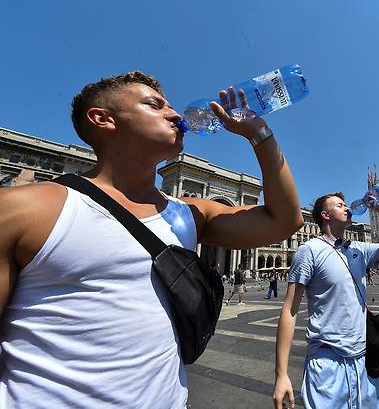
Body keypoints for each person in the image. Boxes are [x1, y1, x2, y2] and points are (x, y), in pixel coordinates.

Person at [0, 71, 304, 407]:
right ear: (102, 119)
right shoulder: (23, 209)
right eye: (154, 105)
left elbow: (285, 220)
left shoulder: (188, 213)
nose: (175, 114)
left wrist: (259, 132)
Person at [273, 192, 379, 409]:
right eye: (340, 205)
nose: (347, 208)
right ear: (325, 215)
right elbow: (290, 309)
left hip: (364, 362)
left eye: (346, 204)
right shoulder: (309, 251)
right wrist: (281, 374)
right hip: (327, 363)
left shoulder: (358, 249)